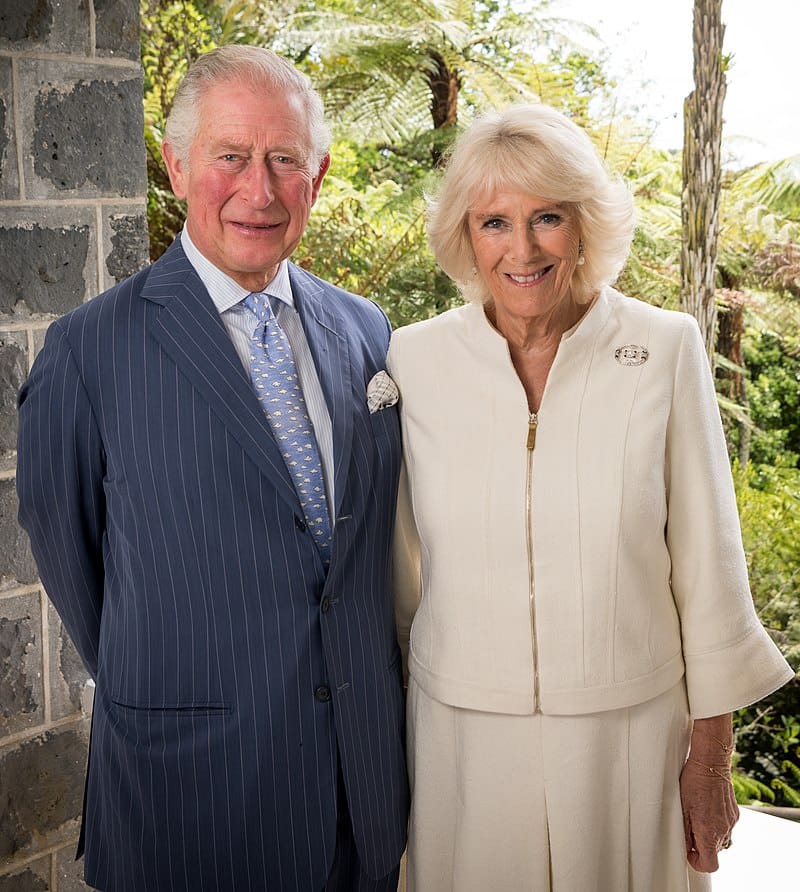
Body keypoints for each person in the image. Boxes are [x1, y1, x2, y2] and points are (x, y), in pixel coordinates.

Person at [17, 45, 408, 892]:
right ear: (177, 164)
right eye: (231, 156)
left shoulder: (368, 330)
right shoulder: (90, 350)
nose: (258, 190)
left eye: (284, 160)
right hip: (188, 797)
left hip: (359, 793)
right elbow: (71, 556)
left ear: (321, 173)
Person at [387, 102, 794, 891]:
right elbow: (396, 574)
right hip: (463, 743)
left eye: (547, 217)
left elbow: (708, 570)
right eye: (494, 222)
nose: (523, 248)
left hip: (629, 740)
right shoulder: (415, 359)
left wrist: (710, 760)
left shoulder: (664, 349)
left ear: (585, 225)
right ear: (465, 237)